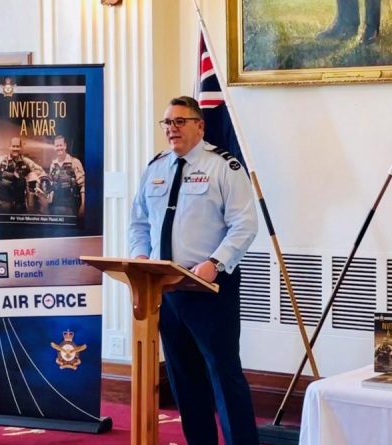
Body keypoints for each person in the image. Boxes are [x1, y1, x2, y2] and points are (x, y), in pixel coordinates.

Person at [129, 96, 259, 445]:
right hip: (167, 289)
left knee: (223, 374)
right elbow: (138, 223)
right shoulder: (155, 168)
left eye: (180, 121)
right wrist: (140, 257)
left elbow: (245, 224)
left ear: (200, 126)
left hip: (210, 288)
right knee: (183, 378)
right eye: (167, 123)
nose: (172, 129)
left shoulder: (223, 166)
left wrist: (215, 263)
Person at [0, 136, 45, 215]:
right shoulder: (0, 161)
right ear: (9, 147)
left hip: (20, 206)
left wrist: (37, 184)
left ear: (21, 147)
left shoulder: (26, 162)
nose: (15, 148)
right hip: (3, 205)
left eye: (17, 146)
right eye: (13, 146)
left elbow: (41, 172)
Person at [48, 134, 85, 217]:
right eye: (57, 146)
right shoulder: (53, 165)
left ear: (65, 146)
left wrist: (83, 205)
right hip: (55, 206)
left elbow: (83, 185)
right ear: (54, 147)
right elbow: (50, 185)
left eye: (61, 145)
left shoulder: (75, 162)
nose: (59, 148)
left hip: (71, 206)